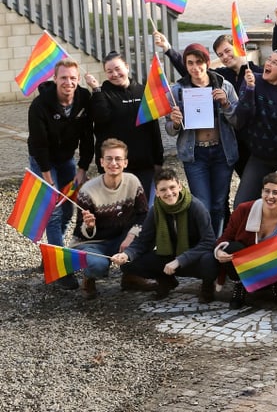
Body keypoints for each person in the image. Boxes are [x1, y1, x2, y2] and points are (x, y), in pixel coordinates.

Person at [27, 58, 94, 289]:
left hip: (67, 159)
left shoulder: (84, 99)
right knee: (54, 211)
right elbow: (39, 145)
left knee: (68, 207)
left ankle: (52, 254)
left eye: (73, 78)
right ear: (55, 79)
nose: (68, 82)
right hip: (43, 161)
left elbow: (88, 138)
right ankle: (61, 267)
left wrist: (83, 168)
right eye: (63, 77)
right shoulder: (39, 106)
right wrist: (48, 181)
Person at [163, 42, 240, 234]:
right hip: (195, 154)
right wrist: (175, 121)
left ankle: (218, 244)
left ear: (207, 62)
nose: (195, 68)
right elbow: (170, 130)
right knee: (202, 203)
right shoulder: (177, 91)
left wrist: (225, 104)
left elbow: (239, 121)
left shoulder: (224, 86)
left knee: (219, 203)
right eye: (190, 63)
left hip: (222, 152)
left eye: (199, 62)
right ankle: (206, 244)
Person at [110, 169, 219, 303]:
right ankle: (165, 280)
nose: (169, 193)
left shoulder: (196, 207)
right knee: (128, 263)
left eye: (172, 187)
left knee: (210, 261)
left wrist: (180, 260)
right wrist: (126, 255)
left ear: (179, 185)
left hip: (193, 258)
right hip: (168, 256)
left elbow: (209, 242)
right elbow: (143, 241)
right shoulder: (155, 210)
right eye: (163, 190)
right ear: (156, 192)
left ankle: (207, 286)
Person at [215, 172, 277, 309]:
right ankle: (240, 285)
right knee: (230, 248)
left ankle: (275, 283)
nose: (270, 196)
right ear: (261, 192)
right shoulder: (244, 210)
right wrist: (220, 251)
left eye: (275, 193)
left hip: (274, 264)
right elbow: (225, 237)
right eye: (266, 191)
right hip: (248, 263)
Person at [72, 139, 149, 300]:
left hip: (122, 237)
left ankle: (131, 276)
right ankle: (89, 278)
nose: (113, 163)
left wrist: (131, 236)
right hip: (94, 243)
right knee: (97, 265)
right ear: (101, 162)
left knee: (147, 237)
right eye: (109, 159)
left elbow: (143, 215)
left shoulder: (133, 182)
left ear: (125, 162)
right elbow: (79, 231)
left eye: (118, 159)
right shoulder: (88, 191)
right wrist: (90, 226)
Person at [84, 52, 164, 205]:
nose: (114, 74)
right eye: (109, 71)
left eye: (117, 68)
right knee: (120, 210)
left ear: (127, 67)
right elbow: (101, 118)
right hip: (116, 166)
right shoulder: (102, 94)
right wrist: (96, 90)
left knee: (144, 208)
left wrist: (158, 160)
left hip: (144, 165)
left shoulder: (142, 91)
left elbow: (153, 128)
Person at [233, 49, 277, 204]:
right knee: (241, 204)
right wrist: (250, 88)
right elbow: (242, 117)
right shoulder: (251, 80)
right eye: (269, 59)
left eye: (275, 62)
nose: (268, 63)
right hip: (259, 157)